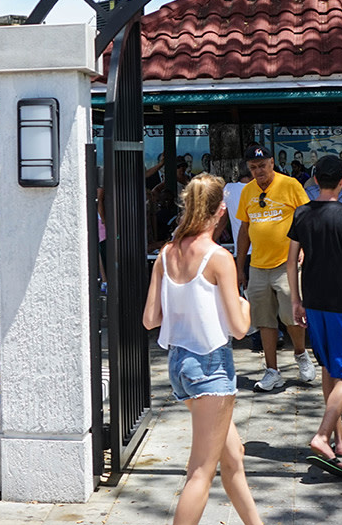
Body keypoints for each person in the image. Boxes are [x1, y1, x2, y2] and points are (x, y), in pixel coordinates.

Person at [143, 174, 264, 525]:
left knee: (233, 458)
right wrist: (246, 305)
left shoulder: (166, 254)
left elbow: (150, 318)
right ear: (221, 209)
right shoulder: (218, 258)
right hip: (211, 365)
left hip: (180, 363)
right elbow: (240, 328)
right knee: (200, 472)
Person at [287, 154, 342, 477]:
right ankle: (323, 435)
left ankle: (339, 436)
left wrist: (296, 299)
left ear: (313, 179)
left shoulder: (301, 213)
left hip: (313, 301)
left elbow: (291, 259)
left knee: (328, 368)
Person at [235, 145, 314, 391]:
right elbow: (244, 231)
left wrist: (303, 249)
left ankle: (301, 354)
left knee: (292, 316)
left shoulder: (290, 185)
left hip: (286, 264)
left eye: (262, 165)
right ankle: (272, 371)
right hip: (258, 265)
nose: (258, 171)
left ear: (272, 163)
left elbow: (307, 219)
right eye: (253, 168)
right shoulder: (247, 191)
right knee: (264, 320)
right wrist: (240, 266)